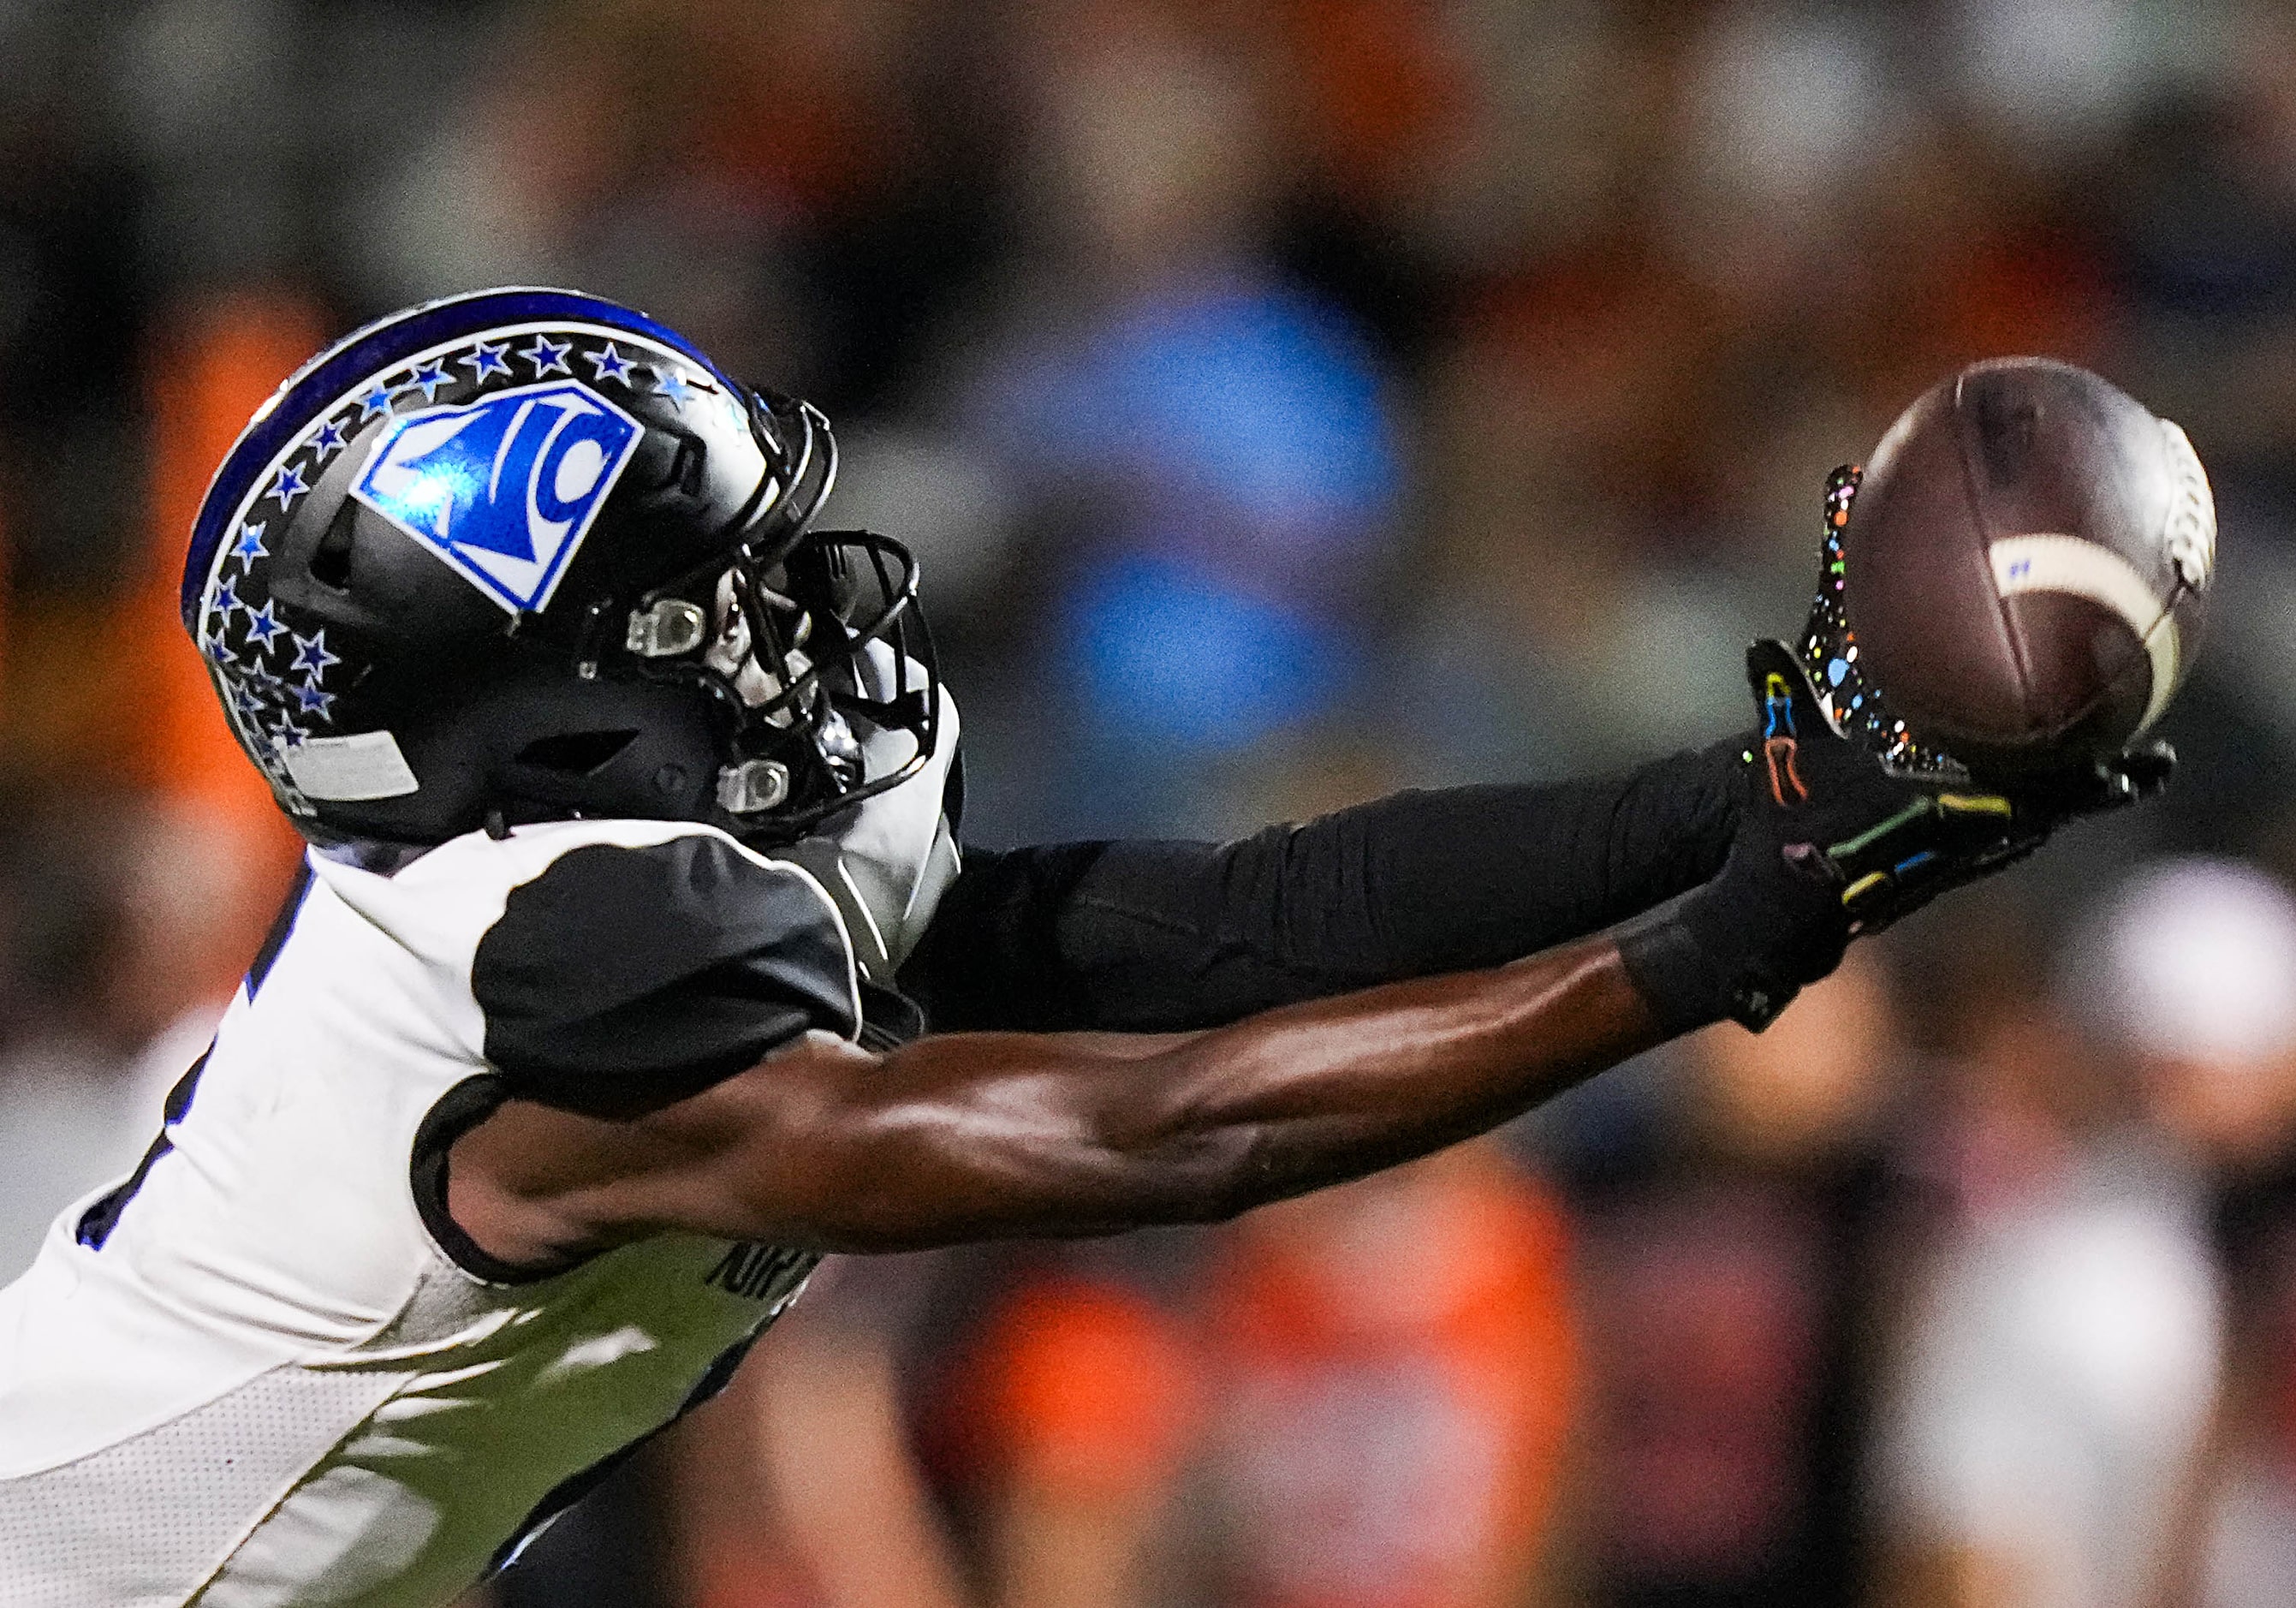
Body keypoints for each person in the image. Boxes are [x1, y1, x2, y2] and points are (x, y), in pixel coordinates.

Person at [0, 289, 2157, 1607]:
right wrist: (1734, 944)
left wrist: (1754, 795)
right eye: (708, 607)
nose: (796, 621)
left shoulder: (634, 894)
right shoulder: (557, 976)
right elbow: (1176, 1128)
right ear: (550, 709)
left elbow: (1240, 931)